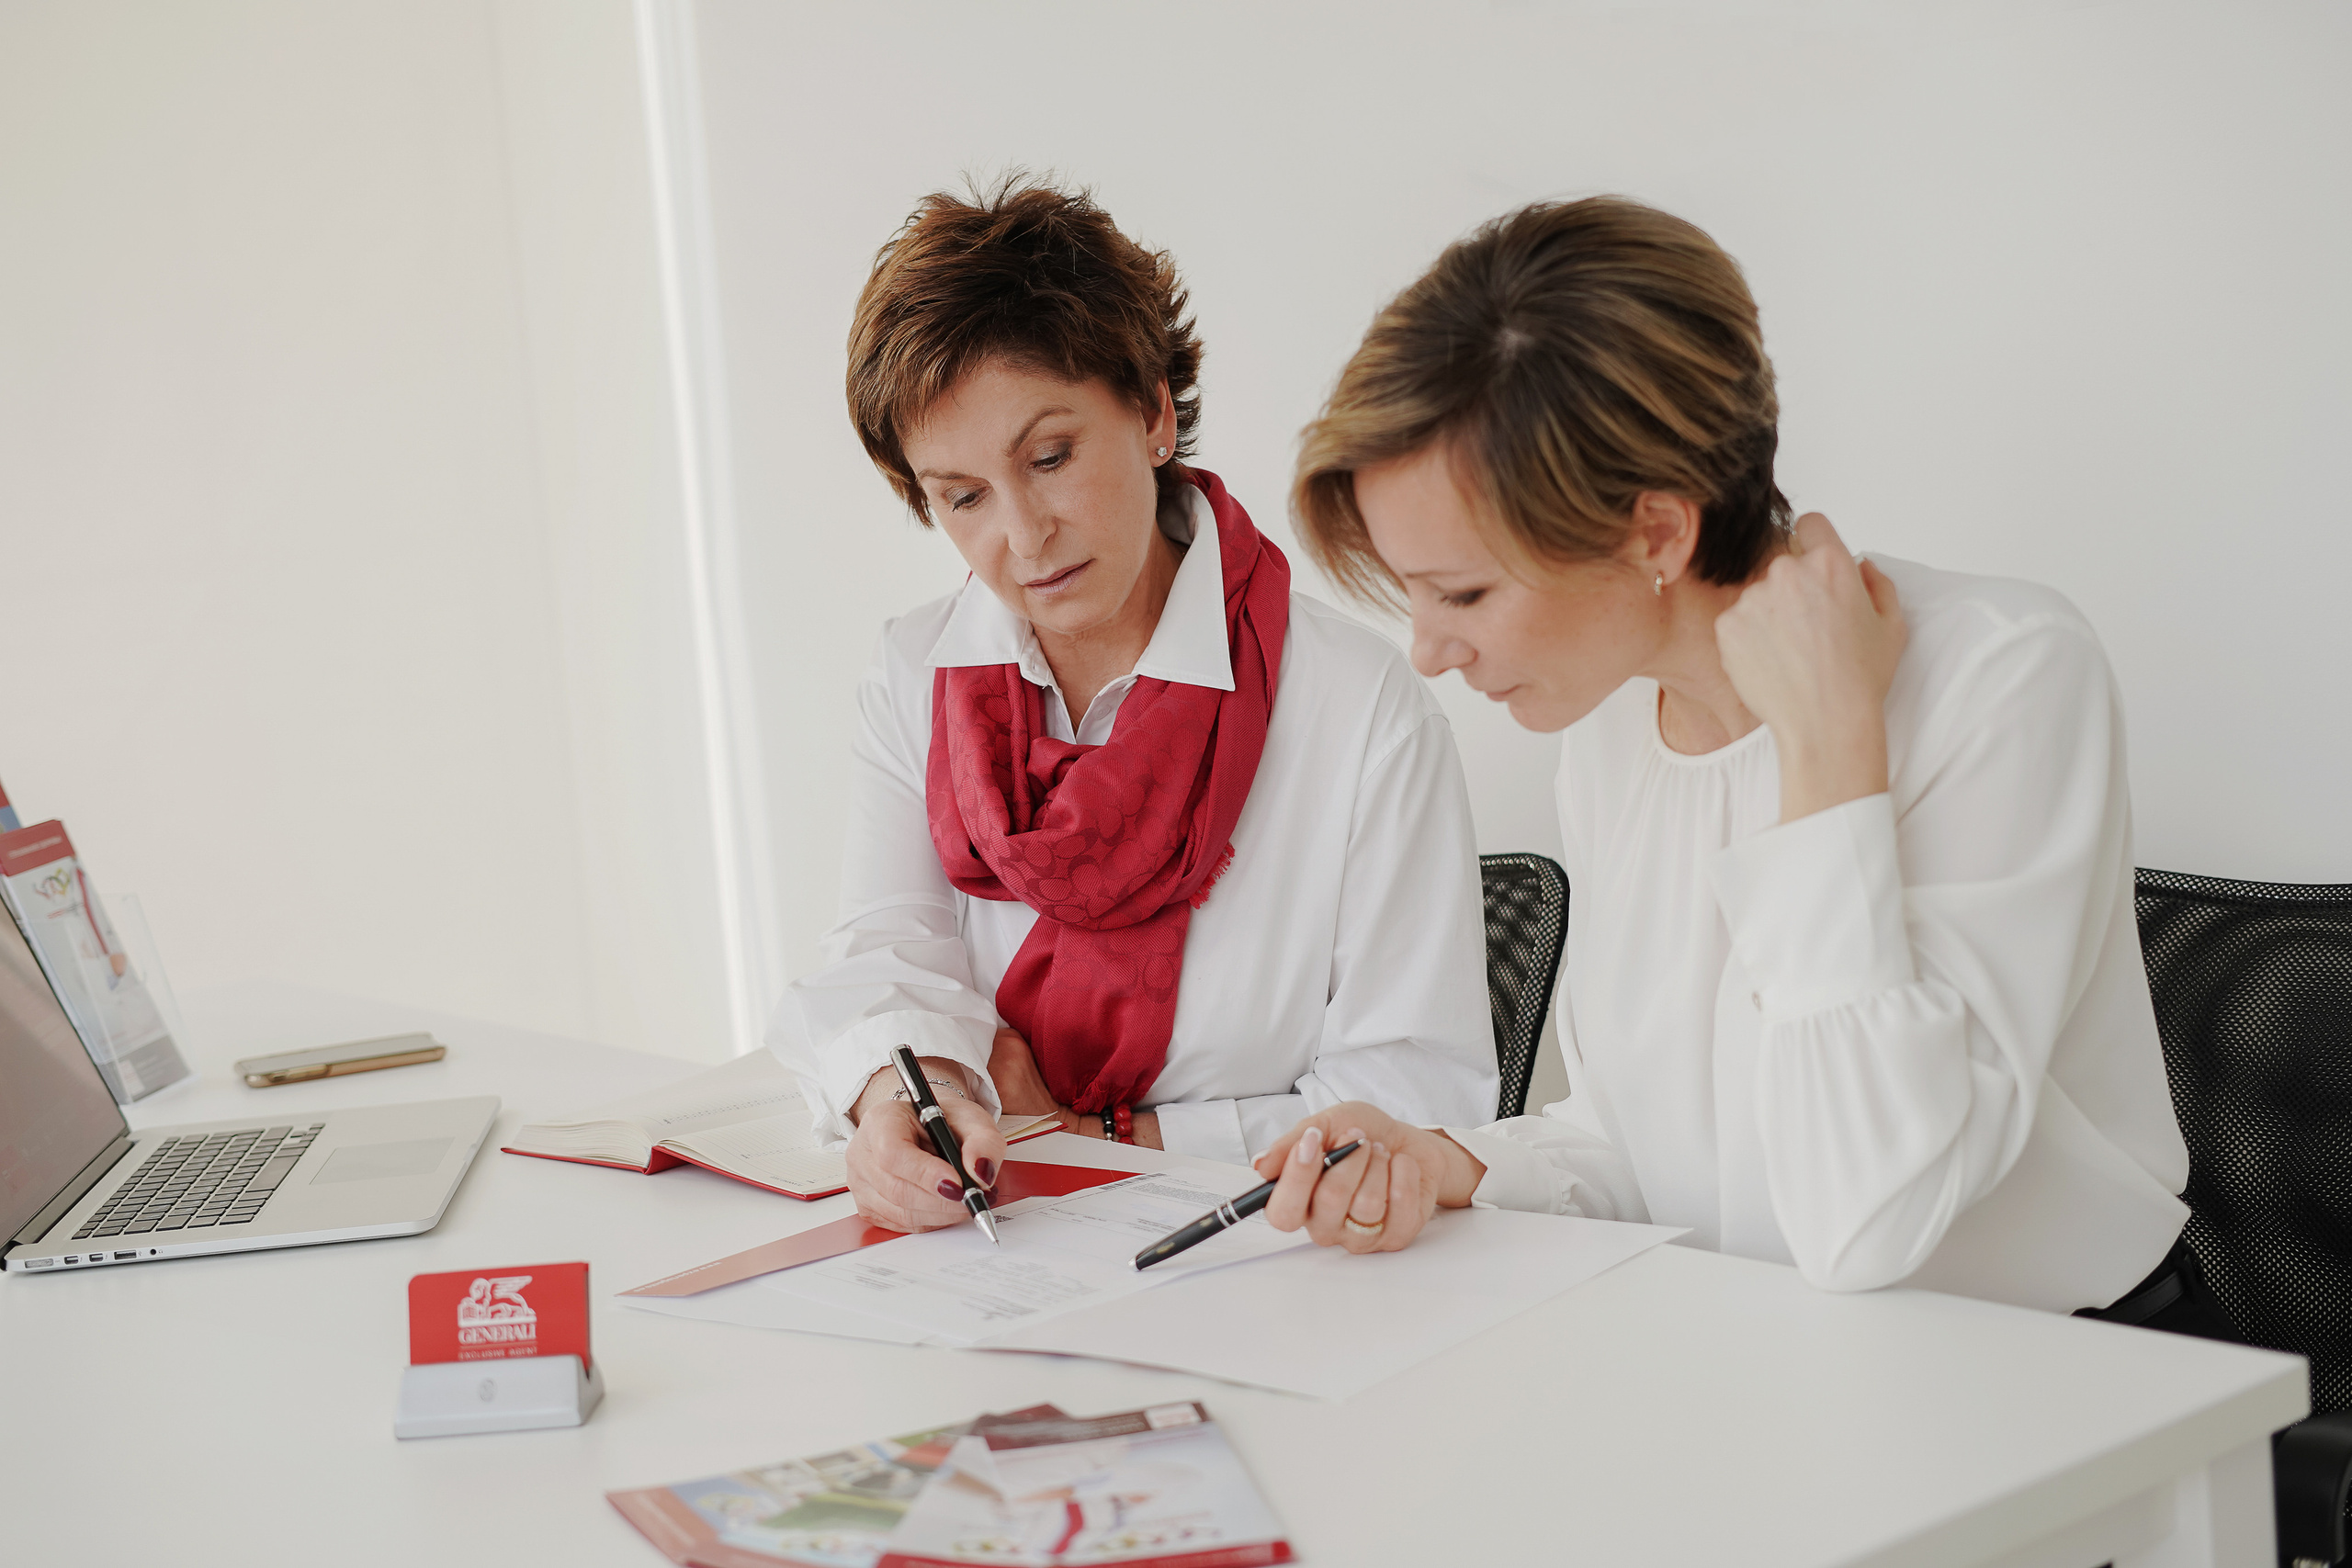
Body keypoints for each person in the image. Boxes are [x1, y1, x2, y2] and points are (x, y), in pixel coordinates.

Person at [1251, 196, 2215, 1327]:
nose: (1426, 652)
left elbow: (1866, 1216)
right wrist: (1457, 1165)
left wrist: (1826, 747)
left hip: (2056, 1380)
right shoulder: (1611, 728)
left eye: (1462, 594)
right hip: (1771, 1357)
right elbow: (1656, 1150)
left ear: (1656, 532)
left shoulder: (2003, 676)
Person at [770, 178, 1497, 1235]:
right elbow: (888, 958)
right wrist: (904, 1099)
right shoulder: (912, 675)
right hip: (990, 1244)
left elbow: (1417, 1099)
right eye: (962, 496)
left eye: (1050, 457)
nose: (1023, 536)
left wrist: (1089, 1139)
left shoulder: (1356, 705)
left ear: (1153, 413)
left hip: (1270, 1254)